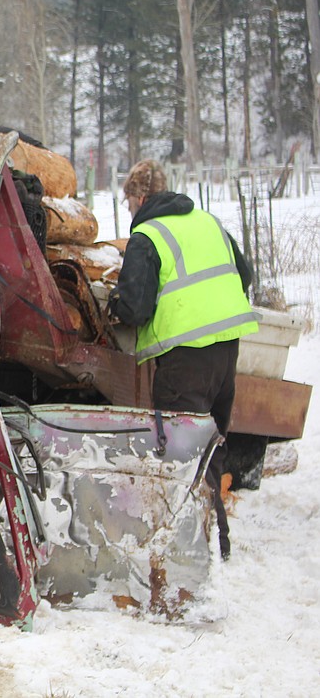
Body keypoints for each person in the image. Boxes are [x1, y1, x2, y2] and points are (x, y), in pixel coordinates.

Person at [108, 159, 259, 561]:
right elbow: (243, 275)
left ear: (139, 197)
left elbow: (135, 309)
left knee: (183, 453)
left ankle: (194, 552)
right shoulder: (209, 222)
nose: (128, 211)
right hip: (226, 349)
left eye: (127, 203)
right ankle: (218, 541)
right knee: (211, 446)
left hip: (185, 357)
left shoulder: (147, 234)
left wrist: (116, 303)